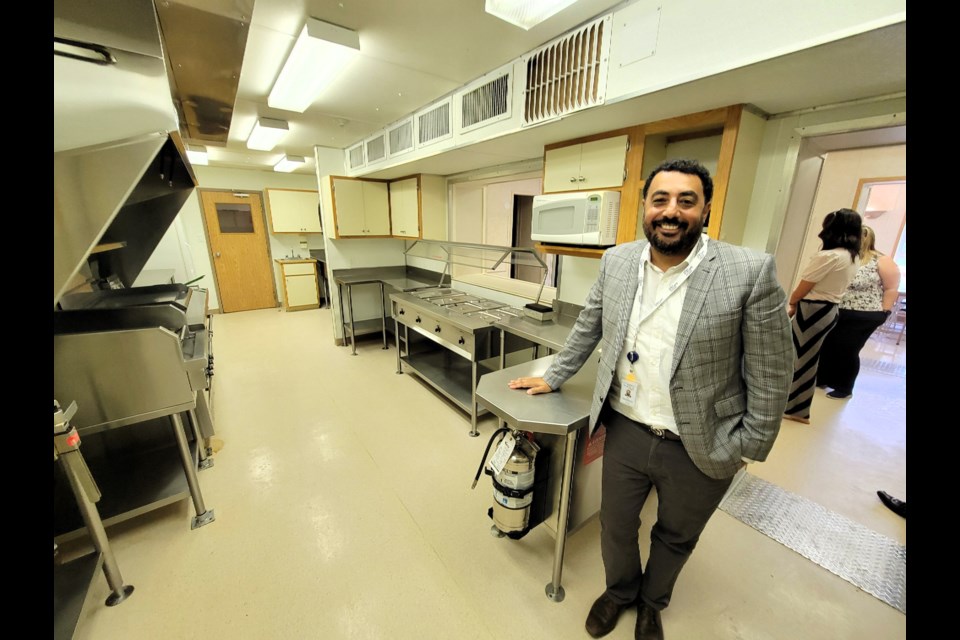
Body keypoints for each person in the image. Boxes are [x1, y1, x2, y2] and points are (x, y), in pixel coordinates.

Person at [507, 158, 794, 640]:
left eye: (686, 200)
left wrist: (748, 444)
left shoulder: (749, 272)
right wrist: (554, 375)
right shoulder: (618, 261)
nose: (671, 211)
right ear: (646, 206)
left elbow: (771, 369)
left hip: (703, 440)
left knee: (676, 535)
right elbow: (589, 325)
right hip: (627, 428)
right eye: (660, 200)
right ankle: (620, 592)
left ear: (705, 208)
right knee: (616, 526)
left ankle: (652, 603)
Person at [781, 209, 862, 424]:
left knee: (798, 358)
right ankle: (795, 407)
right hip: (829, 310)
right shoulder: (852, 257)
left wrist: (792, 302)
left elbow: (804, 286)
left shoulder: (829, 256)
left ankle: (795, 409)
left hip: (812, 310)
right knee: (807, 359)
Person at [815, 225, 902, 399]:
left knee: (848, 349)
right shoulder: (846, 258)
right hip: (839, 308)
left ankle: (844, 387)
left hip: (866, 314)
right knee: (829, 345)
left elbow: (891, 288)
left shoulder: (881, 260)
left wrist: (885, 311)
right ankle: (823, 378)